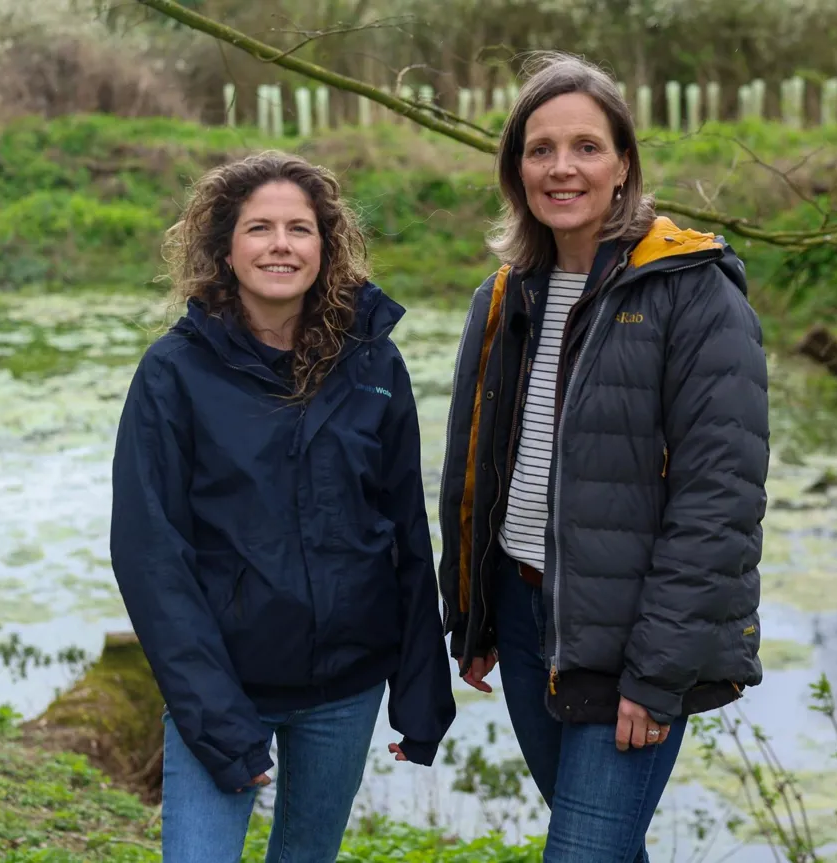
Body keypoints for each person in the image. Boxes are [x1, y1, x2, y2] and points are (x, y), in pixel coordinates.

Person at [437, 52, 770, 861]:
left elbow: (718, 501)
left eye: (586, 146)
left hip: (629, 637)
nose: (563, 168)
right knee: (605, 846)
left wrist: (657, 673)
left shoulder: (691, 290)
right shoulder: (504, 294)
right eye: (540, 148)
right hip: (521, 621)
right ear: (517, 168)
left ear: (623, 163)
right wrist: (474, 610)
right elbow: (475, 468)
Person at [109, 151, 455, 863]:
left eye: (299, 228)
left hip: (344, 689)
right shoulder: (171, 375)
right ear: (225, 249)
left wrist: (422, 690)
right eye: (258, 227)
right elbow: (150, 556)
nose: (280, 244)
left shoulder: (374, 364)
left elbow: (406, 533)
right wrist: (218, 719)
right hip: (223, 683)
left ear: (324, 247)